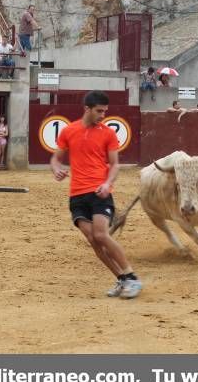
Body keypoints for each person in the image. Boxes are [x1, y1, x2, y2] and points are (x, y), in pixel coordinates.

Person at [50, 90, 143, 299]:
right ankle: (121, 279)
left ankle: (132, 277)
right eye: (99, 111)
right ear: (87, 109)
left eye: (105, 111)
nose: (103, 115)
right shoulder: (68, 131)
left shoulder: (108, 133)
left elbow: (115, 164)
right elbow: (55, 159)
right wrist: (56, 169)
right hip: (77, 194)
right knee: (93, 240)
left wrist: (108, 183)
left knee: (101, 234)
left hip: (100, 192)